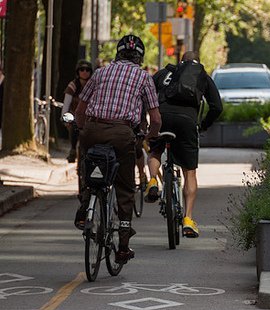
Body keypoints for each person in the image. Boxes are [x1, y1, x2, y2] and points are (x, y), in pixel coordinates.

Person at [75, 34, 161, 264]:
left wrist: (82, 129)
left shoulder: (101, 72)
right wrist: (149, 136)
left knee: (88, 164)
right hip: (122, 133)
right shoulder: (144, 77)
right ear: (140, 57)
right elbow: (155, 118)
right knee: (124, 186)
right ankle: (123, 245)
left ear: (117, 53)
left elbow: (81, 108)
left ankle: (85, 205)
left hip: (93, 129)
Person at [145, 51, 222, 238]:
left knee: (155, 150)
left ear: (180, 62)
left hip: (163, 117)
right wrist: (203, 125)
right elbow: (216, 107)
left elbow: (146, 95)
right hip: (188, 122)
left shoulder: (164, 73)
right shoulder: (202, 75)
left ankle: (153, 180)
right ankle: (188, 219)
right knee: (189, 171)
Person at [62, 60, 93, 163]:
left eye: (87, 70)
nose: (84, 72)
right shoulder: (73, 85)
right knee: (73, 125)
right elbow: (66, 104)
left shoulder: (94, 85)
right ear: (78, 71)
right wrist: (64, 117)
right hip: (75, 115)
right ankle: (73, 149)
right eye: (82, 69)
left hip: (89, 116)